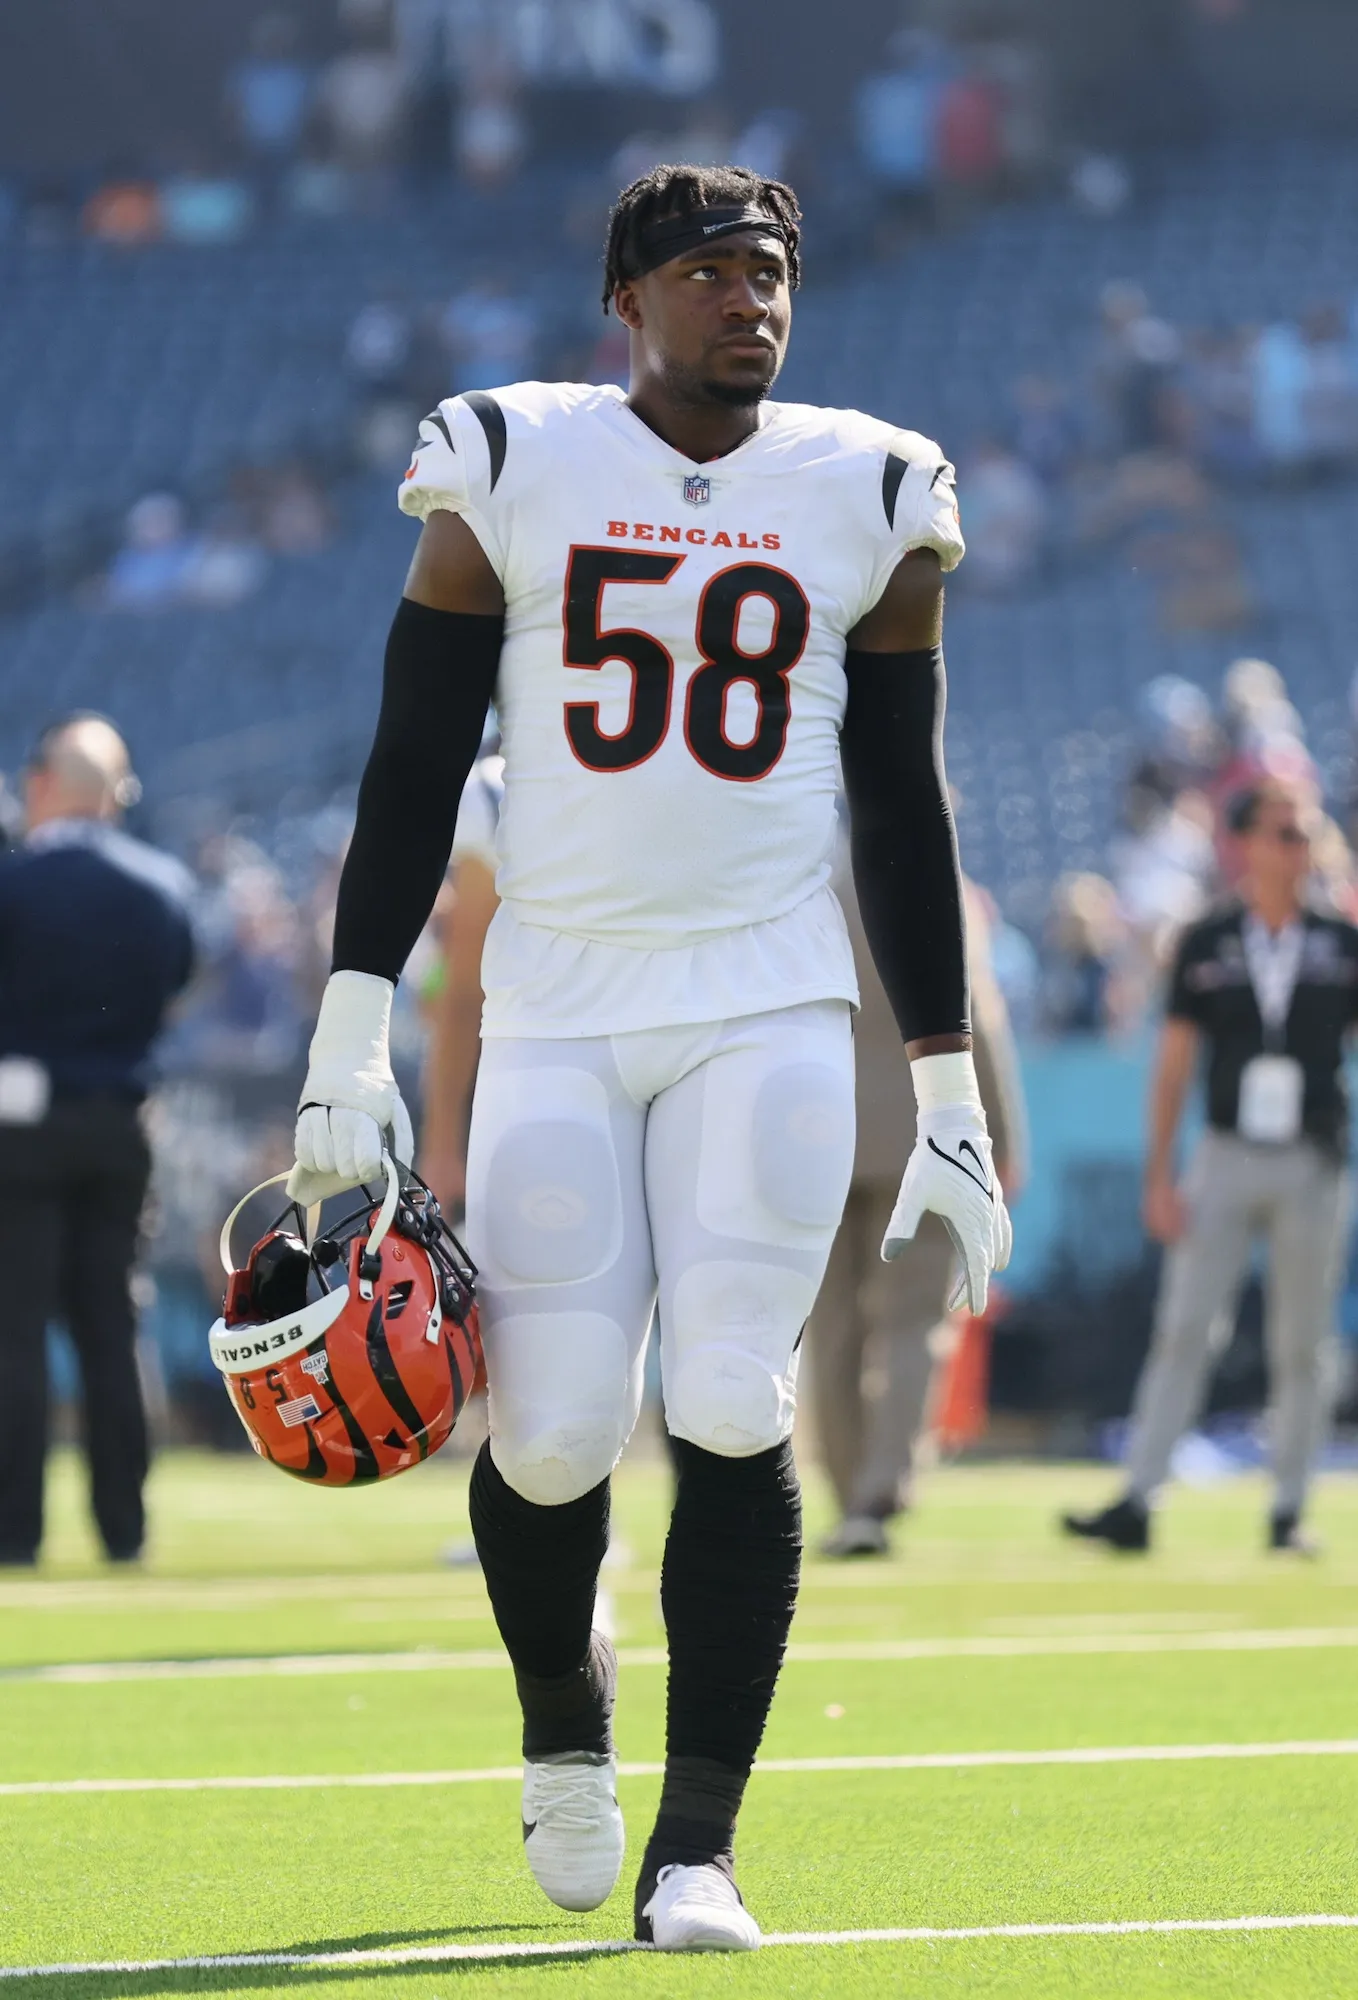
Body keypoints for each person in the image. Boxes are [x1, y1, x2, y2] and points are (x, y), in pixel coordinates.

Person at [286, 162, 1011, 1951]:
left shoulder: (870, 485)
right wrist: (349, 1018)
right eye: (705, 272)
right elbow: (410, 752)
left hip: (762, 1007)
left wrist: (942, 1084)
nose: (746, 300)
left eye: (768, 273)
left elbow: (898, 804)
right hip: (550, 1002)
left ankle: (699, 1846)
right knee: (542, 1435)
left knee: (723, 1402)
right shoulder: (516, 457)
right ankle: (562, 1732)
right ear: (628, 300)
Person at [1063, 782, 1358, 1557]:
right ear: (1246, 844)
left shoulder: (1340, 938)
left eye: (1306, 833)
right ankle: (1139, 1497)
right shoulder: (1209, 938)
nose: (1299, 848)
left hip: (1313, 1154)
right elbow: (1173, 1067)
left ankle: (1289, 1507)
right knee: (1187, 1326)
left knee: (1304, 1339)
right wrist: (1161, 1173)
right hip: (1225, 1152)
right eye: (1284, 833)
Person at [0, 716, 196, 1566]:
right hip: (120, 1124)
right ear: (115, 796)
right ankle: (126, 1527)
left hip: (20, 1127)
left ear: (42, 783)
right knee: (110, 1326)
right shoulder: (161, 887)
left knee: (14, 1331)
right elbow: (178, 982)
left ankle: (14, 1531)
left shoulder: (14, 886)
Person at [812, 871, 1025, 1556]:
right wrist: (1002, 1144)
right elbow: (976, 1021)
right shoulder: (944, 888)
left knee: (832, 1329)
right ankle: (882, 1486)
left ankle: (847, 1493)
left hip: (817, 1133)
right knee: (912, 1326)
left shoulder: (801, 884)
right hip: (920, 1132)